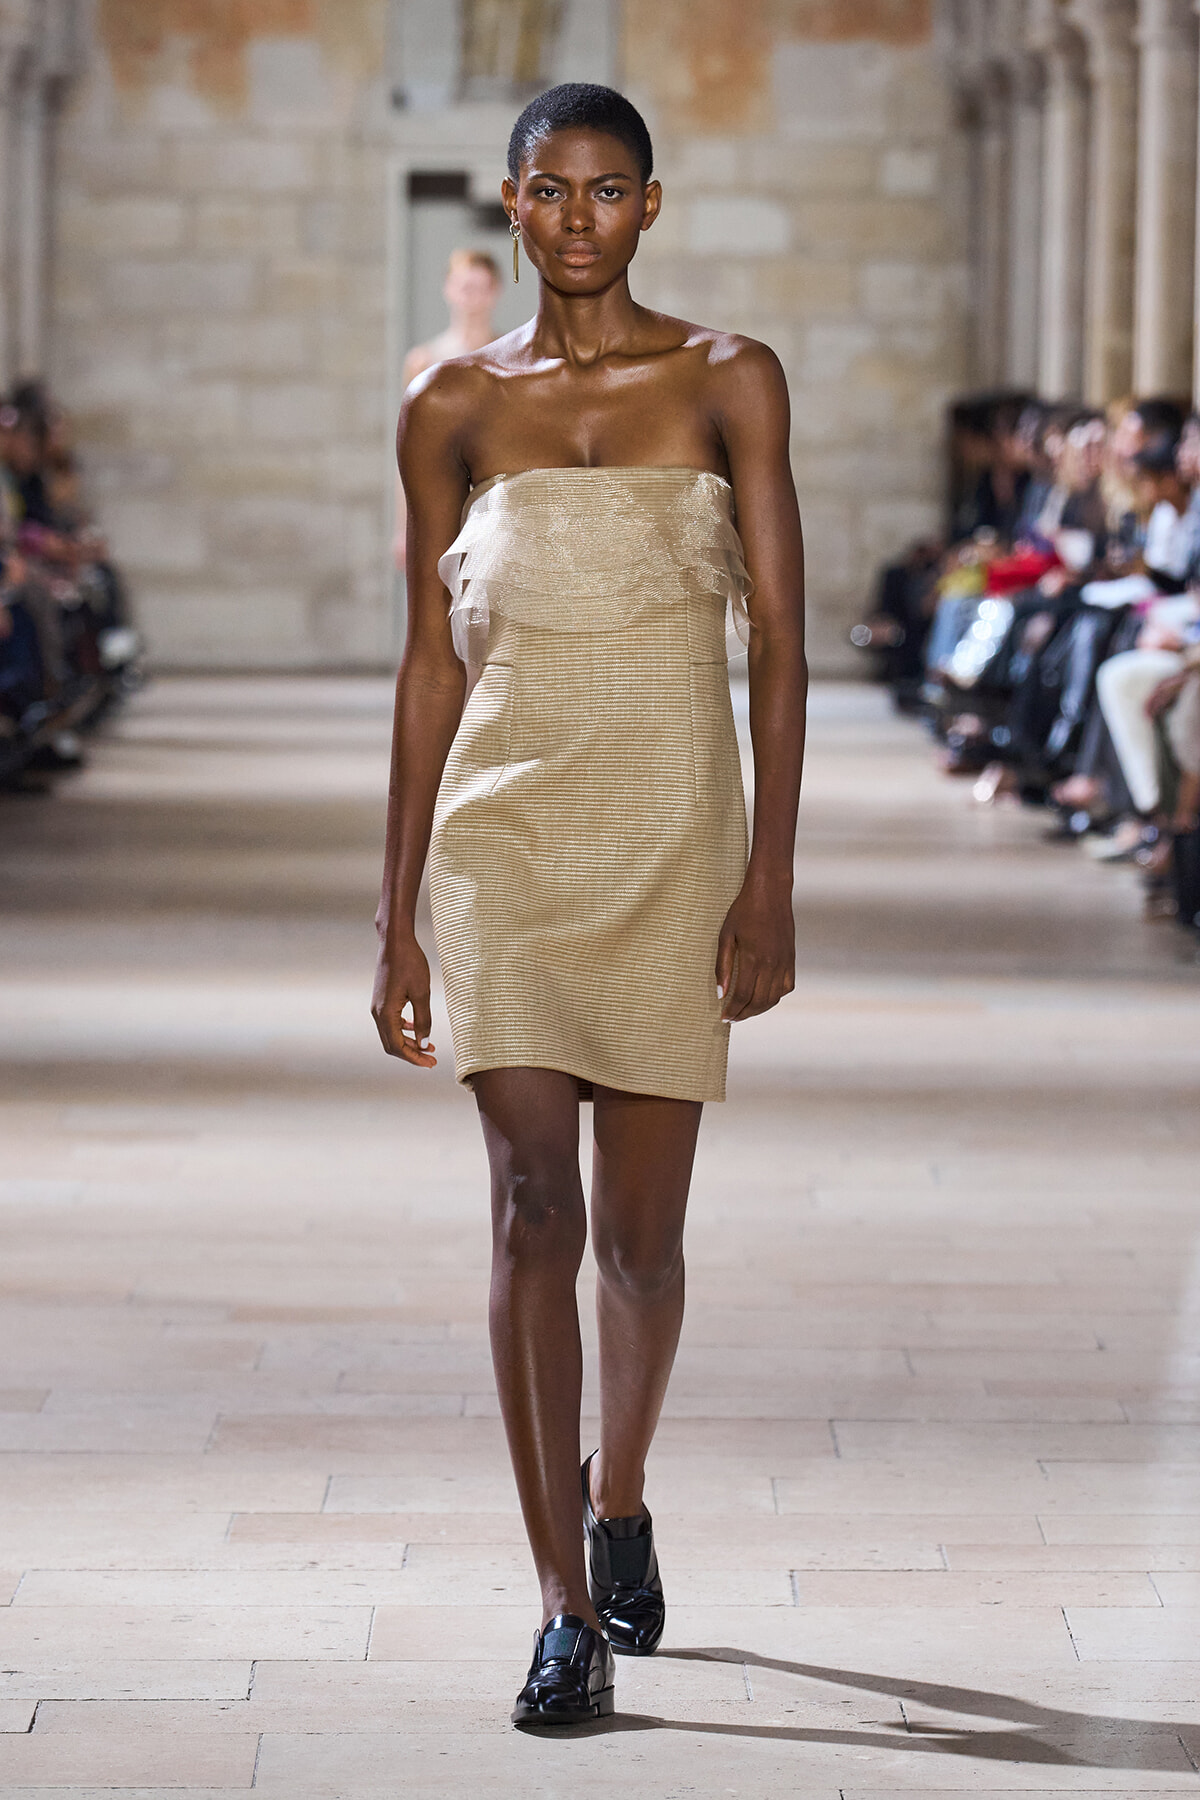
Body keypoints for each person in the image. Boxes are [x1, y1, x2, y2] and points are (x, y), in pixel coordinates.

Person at [371, 82, 807, 1727]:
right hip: (503, 834)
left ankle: (617, 1492)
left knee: (639, 1239)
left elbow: (781, 638)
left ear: (651, 204)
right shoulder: (453, 408)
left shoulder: (727, 381)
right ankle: (562, 1605)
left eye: (605, 192)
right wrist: (397, 909)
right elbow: (427, 666)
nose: (575, 221)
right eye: (546, 193)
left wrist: (771, 877)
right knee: (528, 1212)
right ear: (507, 205)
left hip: (678, 828)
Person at [392, 250, 503, 570]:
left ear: (494, 292)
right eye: (464, 287)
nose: (472, 298)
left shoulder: (508, 357)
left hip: (492, 499)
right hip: (441, 497)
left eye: (479, 288)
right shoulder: (424, 362)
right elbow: (409, 450)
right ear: (448, 290)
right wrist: (403, 528)